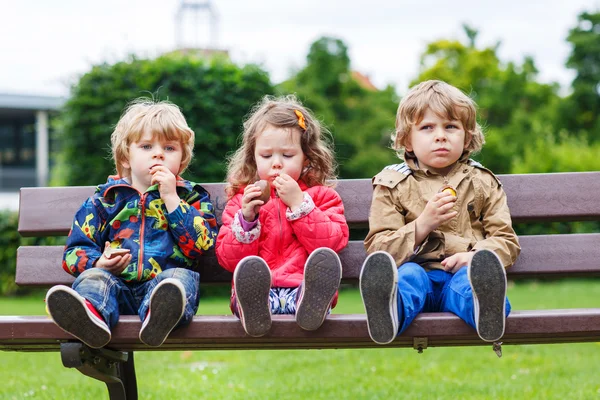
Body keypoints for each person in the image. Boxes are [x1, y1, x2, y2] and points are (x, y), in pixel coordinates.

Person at [45, 99, 218, 348]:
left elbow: (202, 245)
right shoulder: (105, 201)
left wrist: (171, 198)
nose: (158, 154)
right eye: (147, 146)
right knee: (94, 278)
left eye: (169, 148)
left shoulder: (191, 198)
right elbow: (74, 252)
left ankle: (158, 318)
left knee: (178, 279)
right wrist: (99, 263)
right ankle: (90, 318)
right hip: (115, 291)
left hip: (163, 289)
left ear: (182, 159)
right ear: (126, 157)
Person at [360, 80, 521, 346]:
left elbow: (507, 241)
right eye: (427, 128)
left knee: (469, 288)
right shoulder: (392, 183)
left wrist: (473, 257)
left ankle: (488, 312)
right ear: (406, 141)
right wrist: (423, 224)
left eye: (451, 127)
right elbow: (379, 250)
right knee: (409, 278)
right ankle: (389, 311)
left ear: (467, 137)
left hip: (460, 277)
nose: (440, 136)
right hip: (416, 272)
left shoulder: (482, 181)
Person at [216, 95, 349, 337]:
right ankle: (253, 311)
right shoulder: (240, 201)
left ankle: (310, 307)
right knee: (249, 293)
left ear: (306, 158)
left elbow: (332, 243)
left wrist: (300, 205)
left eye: (287, 156)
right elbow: (228, 260)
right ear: (253, 158)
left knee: (307, 294)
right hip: (258, 292)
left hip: (301, 290)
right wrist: (246, 220)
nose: (276, 164)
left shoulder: (321, 198)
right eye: (266, 156)